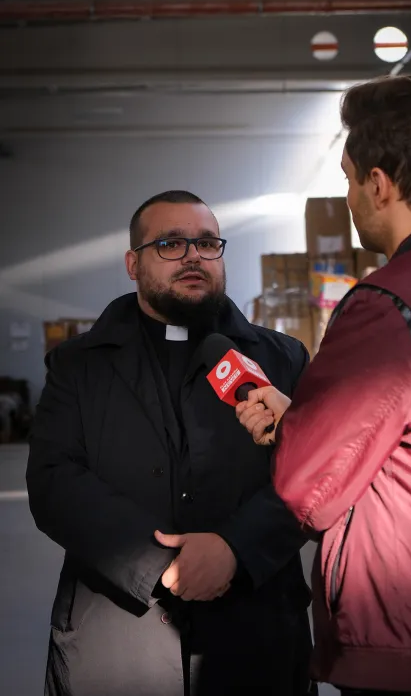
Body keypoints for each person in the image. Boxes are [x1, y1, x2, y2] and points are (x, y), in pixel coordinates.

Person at [236, 74, 411, 695]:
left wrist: (295, 424)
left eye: (350, 178)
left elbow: (307, 485)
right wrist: (306, 413)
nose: (350, 198)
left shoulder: (387, 304)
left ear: (378, 184)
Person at [27, 190, 315, 696]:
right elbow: (55, 483)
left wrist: (234, 550)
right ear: (132, 264)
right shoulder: (78, 365)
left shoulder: (282, 358)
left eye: (207, 243)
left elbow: (312, 477)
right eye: (170, 244)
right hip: (116, 637)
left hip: (256, 630)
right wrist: (160, 565)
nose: (193, 256)